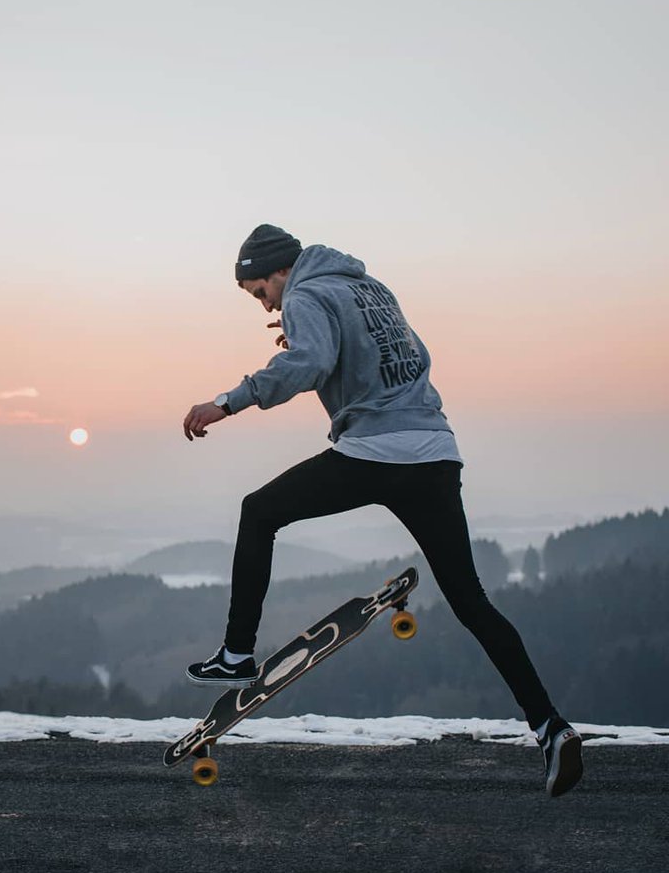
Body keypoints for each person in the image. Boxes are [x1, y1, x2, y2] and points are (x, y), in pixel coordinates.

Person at [182, 223, 583, 798]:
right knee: (472, 602)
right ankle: (550, 726)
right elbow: (407, 354)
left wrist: (227, 401)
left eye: (258, 292)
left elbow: (310, 365)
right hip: (436, 454)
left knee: (258, 512)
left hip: (375, 452)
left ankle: (237, 656)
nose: (264, 304)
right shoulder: (368, 288)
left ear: (275, 271)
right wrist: (314, 343)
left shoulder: (304, 295)